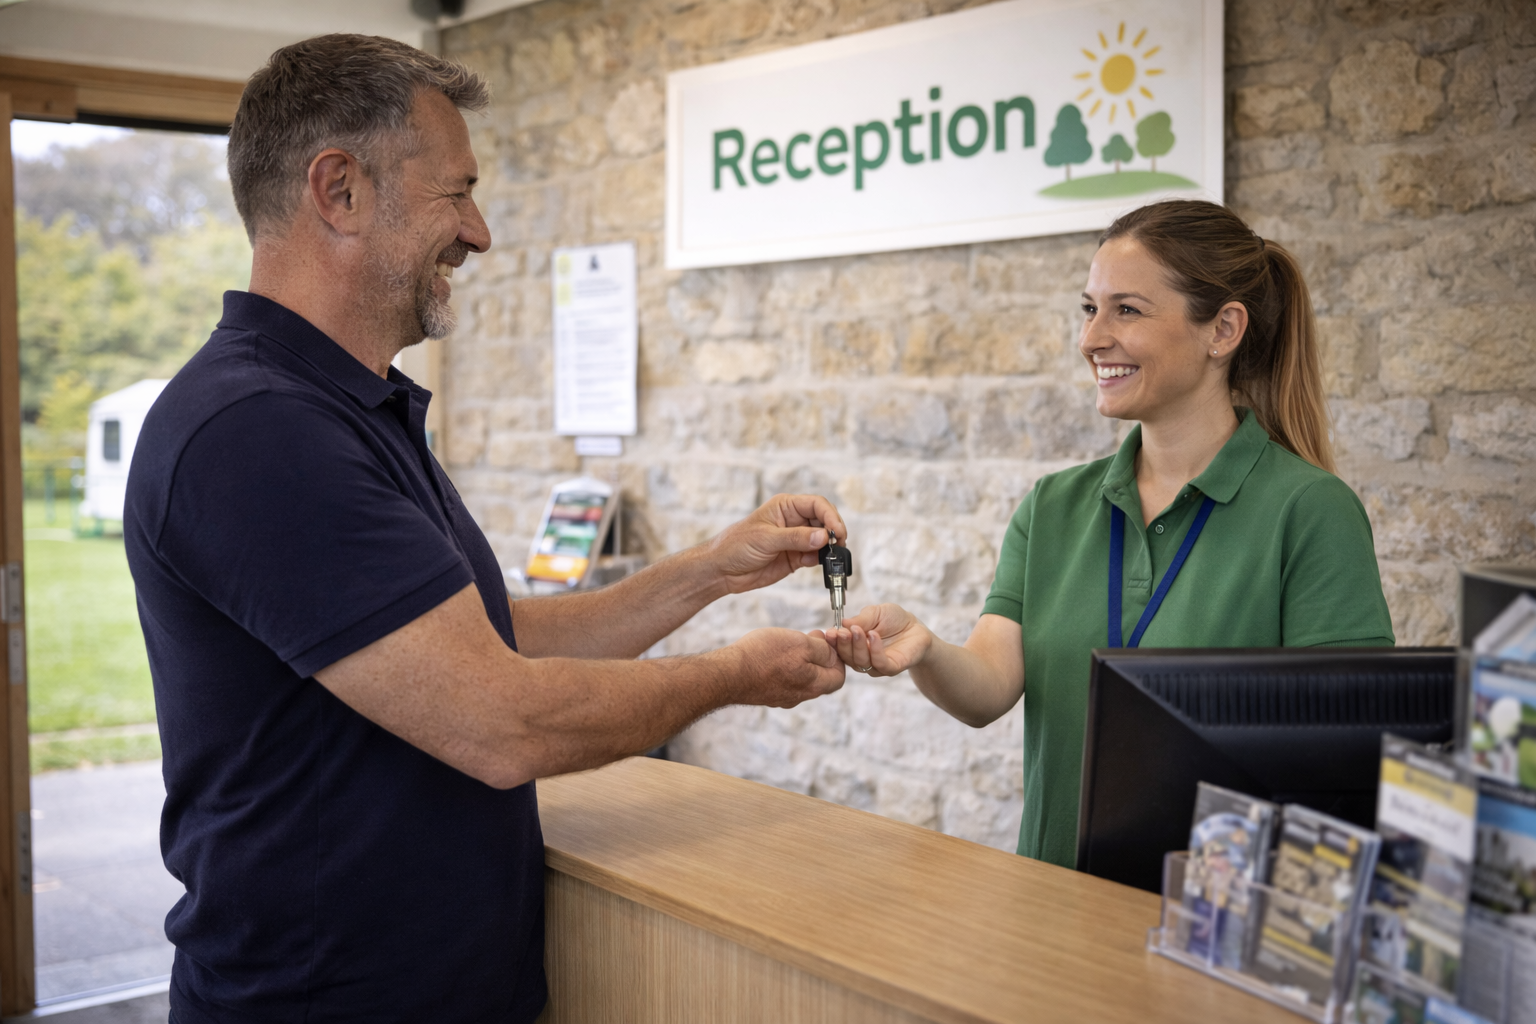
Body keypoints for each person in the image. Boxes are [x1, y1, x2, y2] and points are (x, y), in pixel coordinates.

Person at [124, 35, 846, 1024]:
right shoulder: (256, 431)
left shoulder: (350, 408)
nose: (481, 231)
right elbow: (503, 721)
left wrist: (712, 572)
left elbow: (487, 636)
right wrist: (735, 677)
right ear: (338, 191)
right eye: (455, 191)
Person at [830, 199, 1395, 869]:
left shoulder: (1310, 512)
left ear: (1223, 330)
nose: (1092, 338)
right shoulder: (1052, 506)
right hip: (1054, 908)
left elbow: (1347, 759)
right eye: (1089, 309)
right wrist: (924, 648)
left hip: (1204, 933)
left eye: (1126, 310)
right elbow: (988, 685)